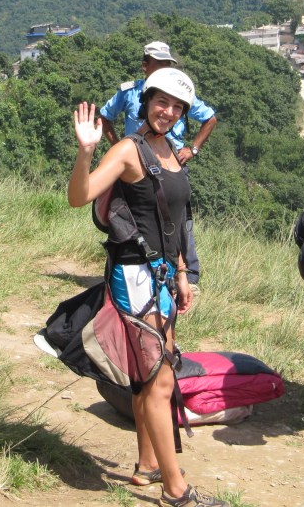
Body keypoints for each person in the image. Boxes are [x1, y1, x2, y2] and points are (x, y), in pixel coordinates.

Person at [70, 68, 228, 507]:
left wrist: (182, 272)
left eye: (177, 107)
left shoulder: (171, 150)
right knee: (159, 381)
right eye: (162, 102)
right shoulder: (128, 150)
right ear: (146, 101)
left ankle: (148, 465)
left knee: (149, 377)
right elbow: (79, 196)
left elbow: (171, 220)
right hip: (135, 276)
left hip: (162, 276)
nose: (169, 112)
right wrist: (86, 152)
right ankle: (176, 490)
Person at [99, 41, 217, 287]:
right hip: (136, 167)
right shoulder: (129, 92)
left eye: (168, 64)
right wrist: (119, 147)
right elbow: (105, 116)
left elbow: (210, 117)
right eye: (159, 63)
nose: (165, 68)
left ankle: (187, 274)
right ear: (145, 66)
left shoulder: (179, 93)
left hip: (170, 162)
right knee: (128, 217)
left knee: (179, 219)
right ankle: (127, 270)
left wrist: (193, 149)